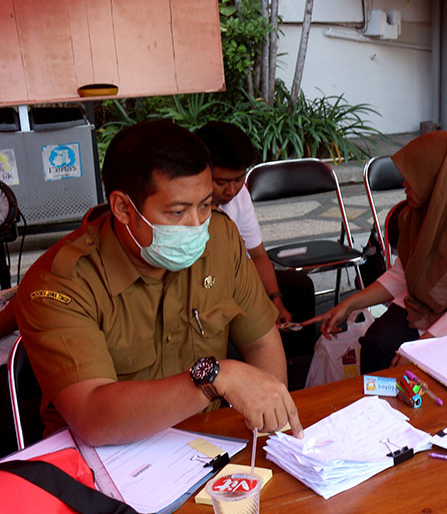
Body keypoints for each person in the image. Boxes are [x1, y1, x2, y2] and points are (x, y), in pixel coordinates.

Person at [16, 120, 302, 446]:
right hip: (106, 464)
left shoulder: (221, 238)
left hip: (211, 442)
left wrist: (271, 432)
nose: (197, 226)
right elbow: (92, 416)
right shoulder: (63, 283)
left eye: (206, 205)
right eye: (178, 212)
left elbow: (260, 342)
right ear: (124, 208)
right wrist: (215, 379)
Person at [308, 131, 447, 372]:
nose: (405, 185)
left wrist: (420, 349)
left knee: (419, 361)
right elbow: (404, 274)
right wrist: (349, 304)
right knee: (377, 344)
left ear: (439, 179)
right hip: (426, 302)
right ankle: (376, 406)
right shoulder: (418, 213)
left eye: (414, 178)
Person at [196, 121, 315, 358]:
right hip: (203, 286)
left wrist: (275, 299)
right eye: (221, 182)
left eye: (238, 180)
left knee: (298, 287)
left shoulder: (239, 197)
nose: (231, 191)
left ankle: (301, 372)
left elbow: (258, 255)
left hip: (239, 279)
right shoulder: (187, 205)